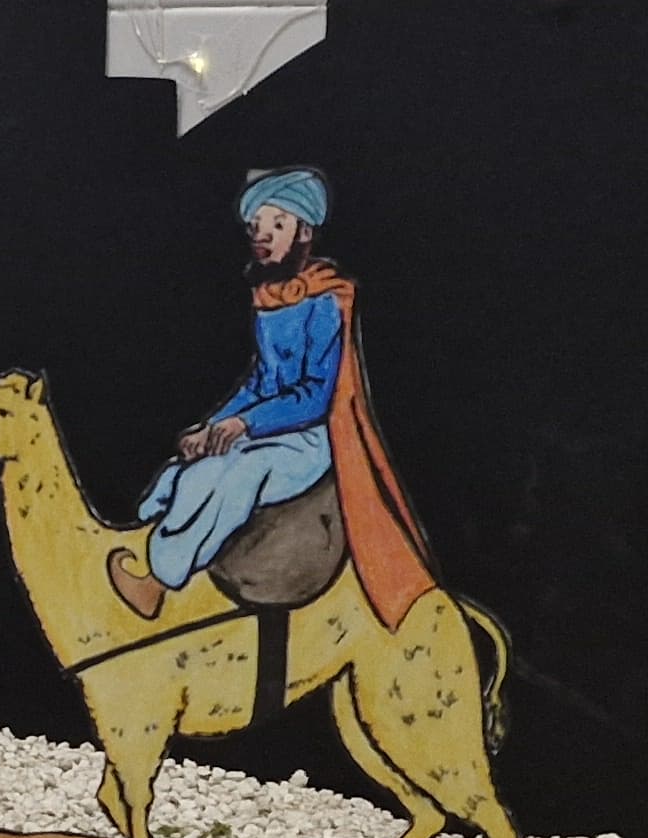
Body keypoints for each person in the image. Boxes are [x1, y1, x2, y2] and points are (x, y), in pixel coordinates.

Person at [117, 166, 435, 624]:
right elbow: (260, 382)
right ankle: (147, 540)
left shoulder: (326, 299)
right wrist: (212, 427)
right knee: (203, 466)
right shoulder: (268, 297)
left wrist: (245, 424)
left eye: (277, 224)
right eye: (257, 225)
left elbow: (314, 395)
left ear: (304, 232)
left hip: (311, 438)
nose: (262, 235)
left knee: (241, 474)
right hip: (268, 428)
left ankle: (159, 582)